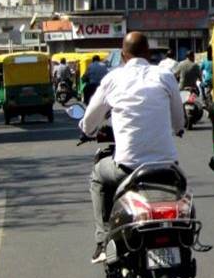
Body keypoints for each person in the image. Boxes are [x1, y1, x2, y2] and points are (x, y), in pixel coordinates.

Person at [79, 32, 184, 264]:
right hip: (167, 167)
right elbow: (179, 121)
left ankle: (103, 241)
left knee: (98, 175)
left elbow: (89, 121)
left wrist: (86, 131)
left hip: (127, 168)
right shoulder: (165, 75)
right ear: (148, 53)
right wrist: (177, 128)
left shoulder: (113, 78)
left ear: (123, 56)